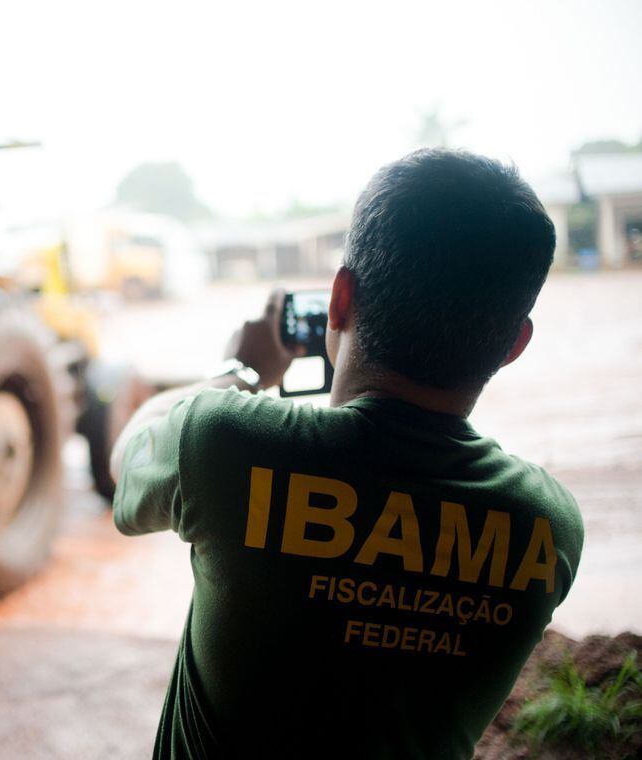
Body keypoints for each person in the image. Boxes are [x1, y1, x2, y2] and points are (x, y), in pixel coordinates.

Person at [109, 149, 584, 759]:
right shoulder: (547, 529)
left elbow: (125, 459)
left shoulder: (226, 444)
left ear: (339, 300)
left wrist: (243, 369)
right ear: (513, 344)